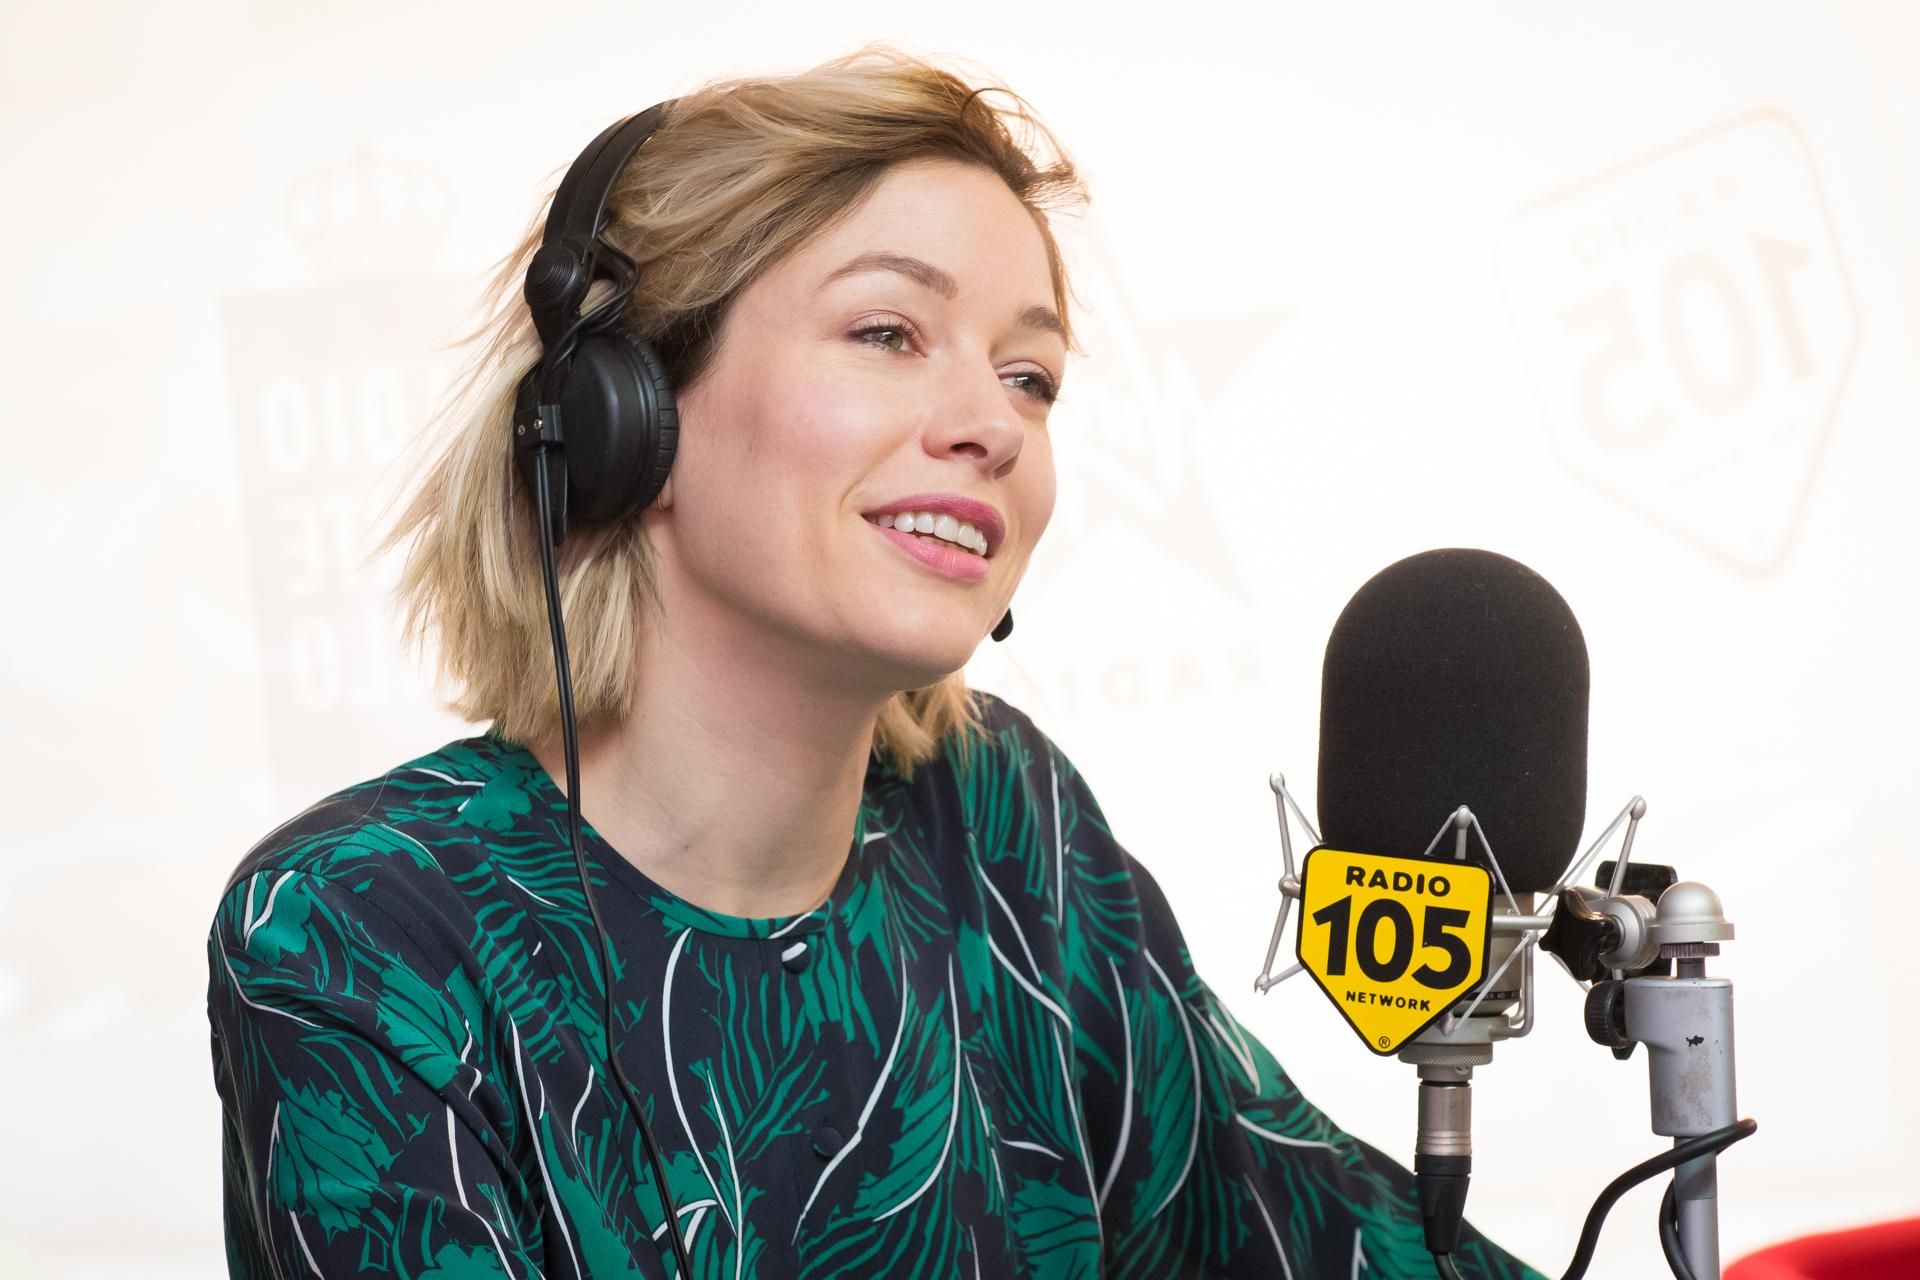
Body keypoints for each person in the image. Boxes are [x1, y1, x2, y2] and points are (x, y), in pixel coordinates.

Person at [206, 47, 1543, 1279]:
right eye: (890, 333)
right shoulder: (355, 929)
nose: (992, 425)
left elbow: (1297, 1229)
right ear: (620, 415)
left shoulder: (1005, 823)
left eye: (1030, 377)